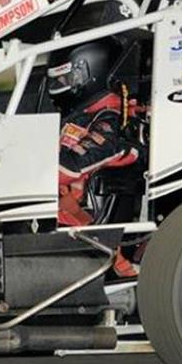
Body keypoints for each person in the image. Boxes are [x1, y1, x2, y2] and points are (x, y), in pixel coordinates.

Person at [47, 39, 143, 226]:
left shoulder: (114, 120)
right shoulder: (81, 117)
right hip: (60, 218)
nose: (60, 84)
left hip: (89, 231)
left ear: (91, 72)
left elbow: (73, 166)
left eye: (65, 78)